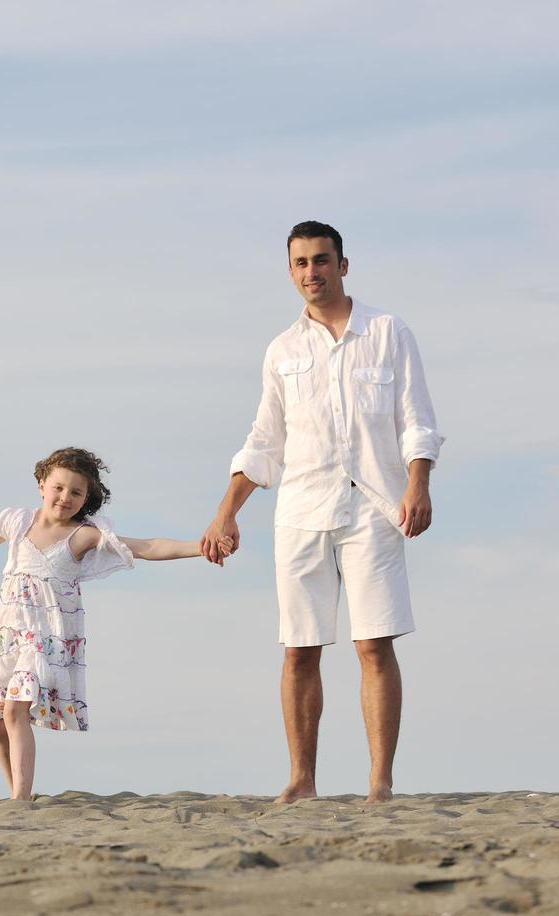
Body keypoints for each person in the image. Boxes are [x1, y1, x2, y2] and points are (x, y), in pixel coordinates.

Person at [199, 221, 445, 804]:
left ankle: (379, 782)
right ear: (290, 272)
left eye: (322, 260)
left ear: (343, 264)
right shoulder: (282, 350)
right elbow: (265, 441)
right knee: (299, 648)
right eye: (301, 263)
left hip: (375, 506)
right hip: (302, 508)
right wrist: (226, 512)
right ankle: (301, 779)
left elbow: (417, 418)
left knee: (374, 644)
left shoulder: (387, 331)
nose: (313, 271)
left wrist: (419, 483)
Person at [0, 448, 224, 801]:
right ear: (42, 485)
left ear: (87, 498)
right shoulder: (17, 523)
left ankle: (20, 798)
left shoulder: (83, 536)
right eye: (59, 487)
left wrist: (200, 547)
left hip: (47, 639)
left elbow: (148, 546)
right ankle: (18, 792)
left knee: (17, 706)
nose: (65, 497)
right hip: (8, 636)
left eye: (76, 492)